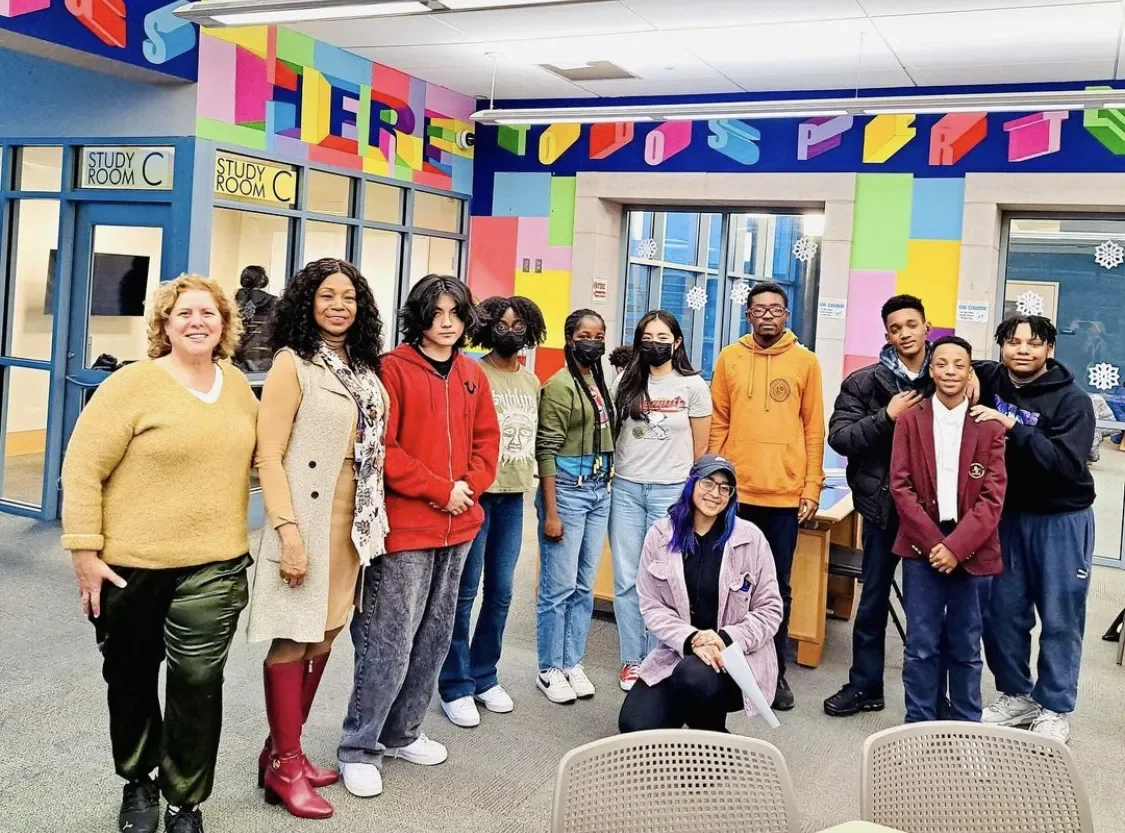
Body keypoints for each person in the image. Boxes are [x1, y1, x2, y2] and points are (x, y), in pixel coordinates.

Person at [61, 275, 258, 833]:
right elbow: (82, 469)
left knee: (198, 681)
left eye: (209, 313)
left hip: (215, 562)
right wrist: (84, 551)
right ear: (165, 325)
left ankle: (185, 800)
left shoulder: (239, 385)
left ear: (224, 324)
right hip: (130, 566)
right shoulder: (130, 386)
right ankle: (137, 781)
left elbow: (265, 458)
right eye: (184, 313)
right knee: (129, 676)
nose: (198, 322)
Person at [337, 274, 499, 797]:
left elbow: (486, 443)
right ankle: (358, 748)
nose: (446, 322)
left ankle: (403, 732)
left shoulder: (474, 374)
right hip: (408, 527)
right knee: (389, 641)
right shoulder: (391, 370)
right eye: (437, 312)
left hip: (461, 525)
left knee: (434, 638)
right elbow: (382, 448)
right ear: (420, 315)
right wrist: (438, 490)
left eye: (455, 313)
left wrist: (467, 488)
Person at [245, 259, 389, 819]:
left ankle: (282, 752)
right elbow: (269, 456)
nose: (338, 306)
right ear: (307, 302)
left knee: (326, 633)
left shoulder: (358, 363)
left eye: (348, 297)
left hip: (355, 515)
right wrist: (288, 534)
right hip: (307, 515)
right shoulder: (292, 363)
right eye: (327, 296)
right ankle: (285, 766)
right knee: (293, 637)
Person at [972, 314, 1096, 743]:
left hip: (1062, 518)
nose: (1022, 349)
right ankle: (1016, 695)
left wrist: (1013, 427)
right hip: (1006, 517)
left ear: (1049, 350)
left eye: (1033, 342)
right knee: (1003, 613)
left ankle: (1056, 706)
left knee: (1061, 617)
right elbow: (946, 362)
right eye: (1013, 341)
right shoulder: (991, 379)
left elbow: (1064, 464)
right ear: (1001, 347)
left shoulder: (1072, 400)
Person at [708, 281, 825, 711]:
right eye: (760, 310)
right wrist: (711, 482)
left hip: (783, 495)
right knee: (726, 583)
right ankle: (726, 665)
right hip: (736, 495)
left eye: (776, 309)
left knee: (776, 587)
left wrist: (811, 486)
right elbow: (719, 422)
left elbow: (815, 429)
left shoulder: (806, 362)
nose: (768, 316)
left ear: (787, 314)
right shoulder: (729, 358)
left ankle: (774, 672)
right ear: (749, 315)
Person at [823, 294, 935, 717]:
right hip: (882, 508)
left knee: (931, 604)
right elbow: (841, 438)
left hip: (935, 513)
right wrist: (886, 416)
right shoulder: (864, 382)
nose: (904, 333)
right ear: (886, 334)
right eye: (895, 327)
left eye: (912, 324)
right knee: (872, 600)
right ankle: (865, 685)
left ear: (927, 327)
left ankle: (930, 692)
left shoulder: (946, 373)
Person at [438, 295, 546, 728]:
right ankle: (455, 683)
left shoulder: (531, 381)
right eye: (501, 324)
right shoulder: (471, 372)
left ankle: (485, 675)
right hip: (476, 495)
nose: (510, 330)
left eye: (518, 324)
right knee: (464, 592)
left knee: (500, 591)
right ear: (486, 327)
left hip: (514, 497)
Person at [618, 454, 783, 733]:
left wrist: (724, 638)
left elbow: (770, 610)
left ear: (731, 496)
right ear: (690, 483)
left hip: (735, 660)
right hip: (678, 653)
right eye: (708, 483)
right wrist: (692, 639)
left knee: (694, 677)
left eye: (724, 488)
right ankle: (700, 724)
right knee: (635, 725)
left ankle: (712, 741)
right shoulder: (660, 535)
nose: (715, 493)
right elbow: (651, 606)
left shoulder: (751, 539)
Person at [889, 336, 1007, 723]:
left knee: (966, 645)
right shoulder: (911, 418)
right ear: (931, 370)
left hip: (972, 548)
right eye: (942, 364)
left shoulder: (988, 426)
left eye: (959, 365)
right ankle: (918, 723)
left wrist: (956, 547)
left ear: (970, 371)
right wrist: (933, 543)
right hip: (922, 547)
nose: (950, 372)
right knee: (921, 644)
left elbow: (993, 497)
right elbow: (900, 485)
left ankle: (967, 725)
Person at [610, 310, 711, 691]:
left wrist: (691, 492)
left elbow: (701, 449)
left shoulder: (693, 385)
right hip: (627, 489)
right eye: (647, 336)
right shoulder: (626, 381)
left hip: (670, 491)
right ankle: (632, 660)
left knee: (666, 579)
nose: (655, 342)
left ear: (677, 341)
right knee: (625, 579)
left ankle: (660, 657)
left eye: (662, 335)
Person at [535, 309, 615, 704]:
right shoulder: (560, 385)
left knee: (584, 586)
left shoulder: (598, 380)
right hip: (567, 492)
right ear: (570, 339)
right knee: (558, 587)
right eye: (586, 334)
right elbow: (546, 450)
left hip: (600, 491)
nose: (594, 341)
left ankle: (572, 662)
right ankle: (549, 667)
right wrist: (551, 513)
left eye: (599, 335)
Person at [233, 265, 277, 373]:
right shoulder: (273, 302)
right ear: (262, 279)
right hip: (264, 356)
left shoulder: (234, 300)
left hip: (239, 356)